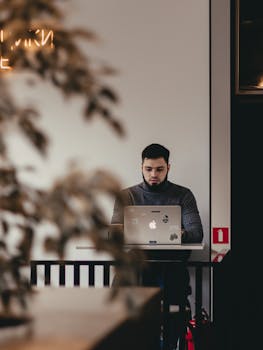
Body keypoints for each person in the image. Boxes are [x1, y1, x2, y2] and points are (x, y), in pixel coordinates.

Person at [111, 143, 203, 349]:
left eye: (159, 169)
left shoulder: (183, 195)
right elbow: (113, 233)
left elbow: (197, 233)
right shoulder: (127, 196)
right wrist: (170, 234)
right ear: (141, 167)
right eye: (148, 169)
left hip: (171, 271)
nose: (154, 174)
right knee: (131, 326)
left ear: (168, 168)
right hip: (136, 272)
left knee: (171, 325)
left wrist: (176, 234)